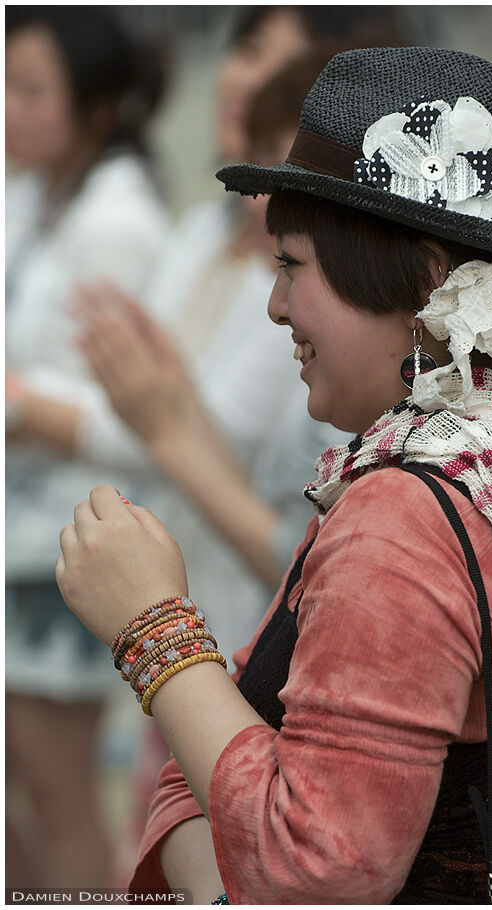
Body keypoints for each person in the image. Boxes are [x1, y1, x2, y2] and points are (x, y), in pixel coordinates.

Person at [57, 46, 492, 903]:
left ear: (424, 279)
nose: (276, 304)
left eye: (293, 266)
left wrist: (152, 627)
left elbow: (312, 877)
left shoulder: (402, 516)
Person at [5, 6, 168, 888]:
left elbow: (144, 418)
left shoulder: (119, 220)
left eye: (32, 89)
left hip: (66, 538)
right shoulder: (32, 191)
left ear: (98, 105)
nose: (8, 108)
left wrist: (21, 406)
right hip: (19, 524)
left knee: (57, 790)